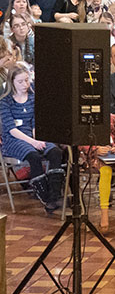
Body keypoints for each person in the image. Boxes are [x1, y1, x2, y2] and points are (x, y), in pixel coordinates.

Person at [0, 65, 64, 212]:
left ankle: (54, 194)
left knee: (55, 152)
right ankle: (44, 195)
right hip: (14, 139)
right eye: (21, 82)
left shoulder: (33, 98)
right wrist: (33, 142)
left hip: (32, 135)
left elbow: (36, 122)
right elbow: (11, 129)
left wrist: (38, 139)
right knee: (33, 156)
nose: (25, 85)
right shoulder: (5, 102)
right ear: (12, 83)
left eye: (27, 80)